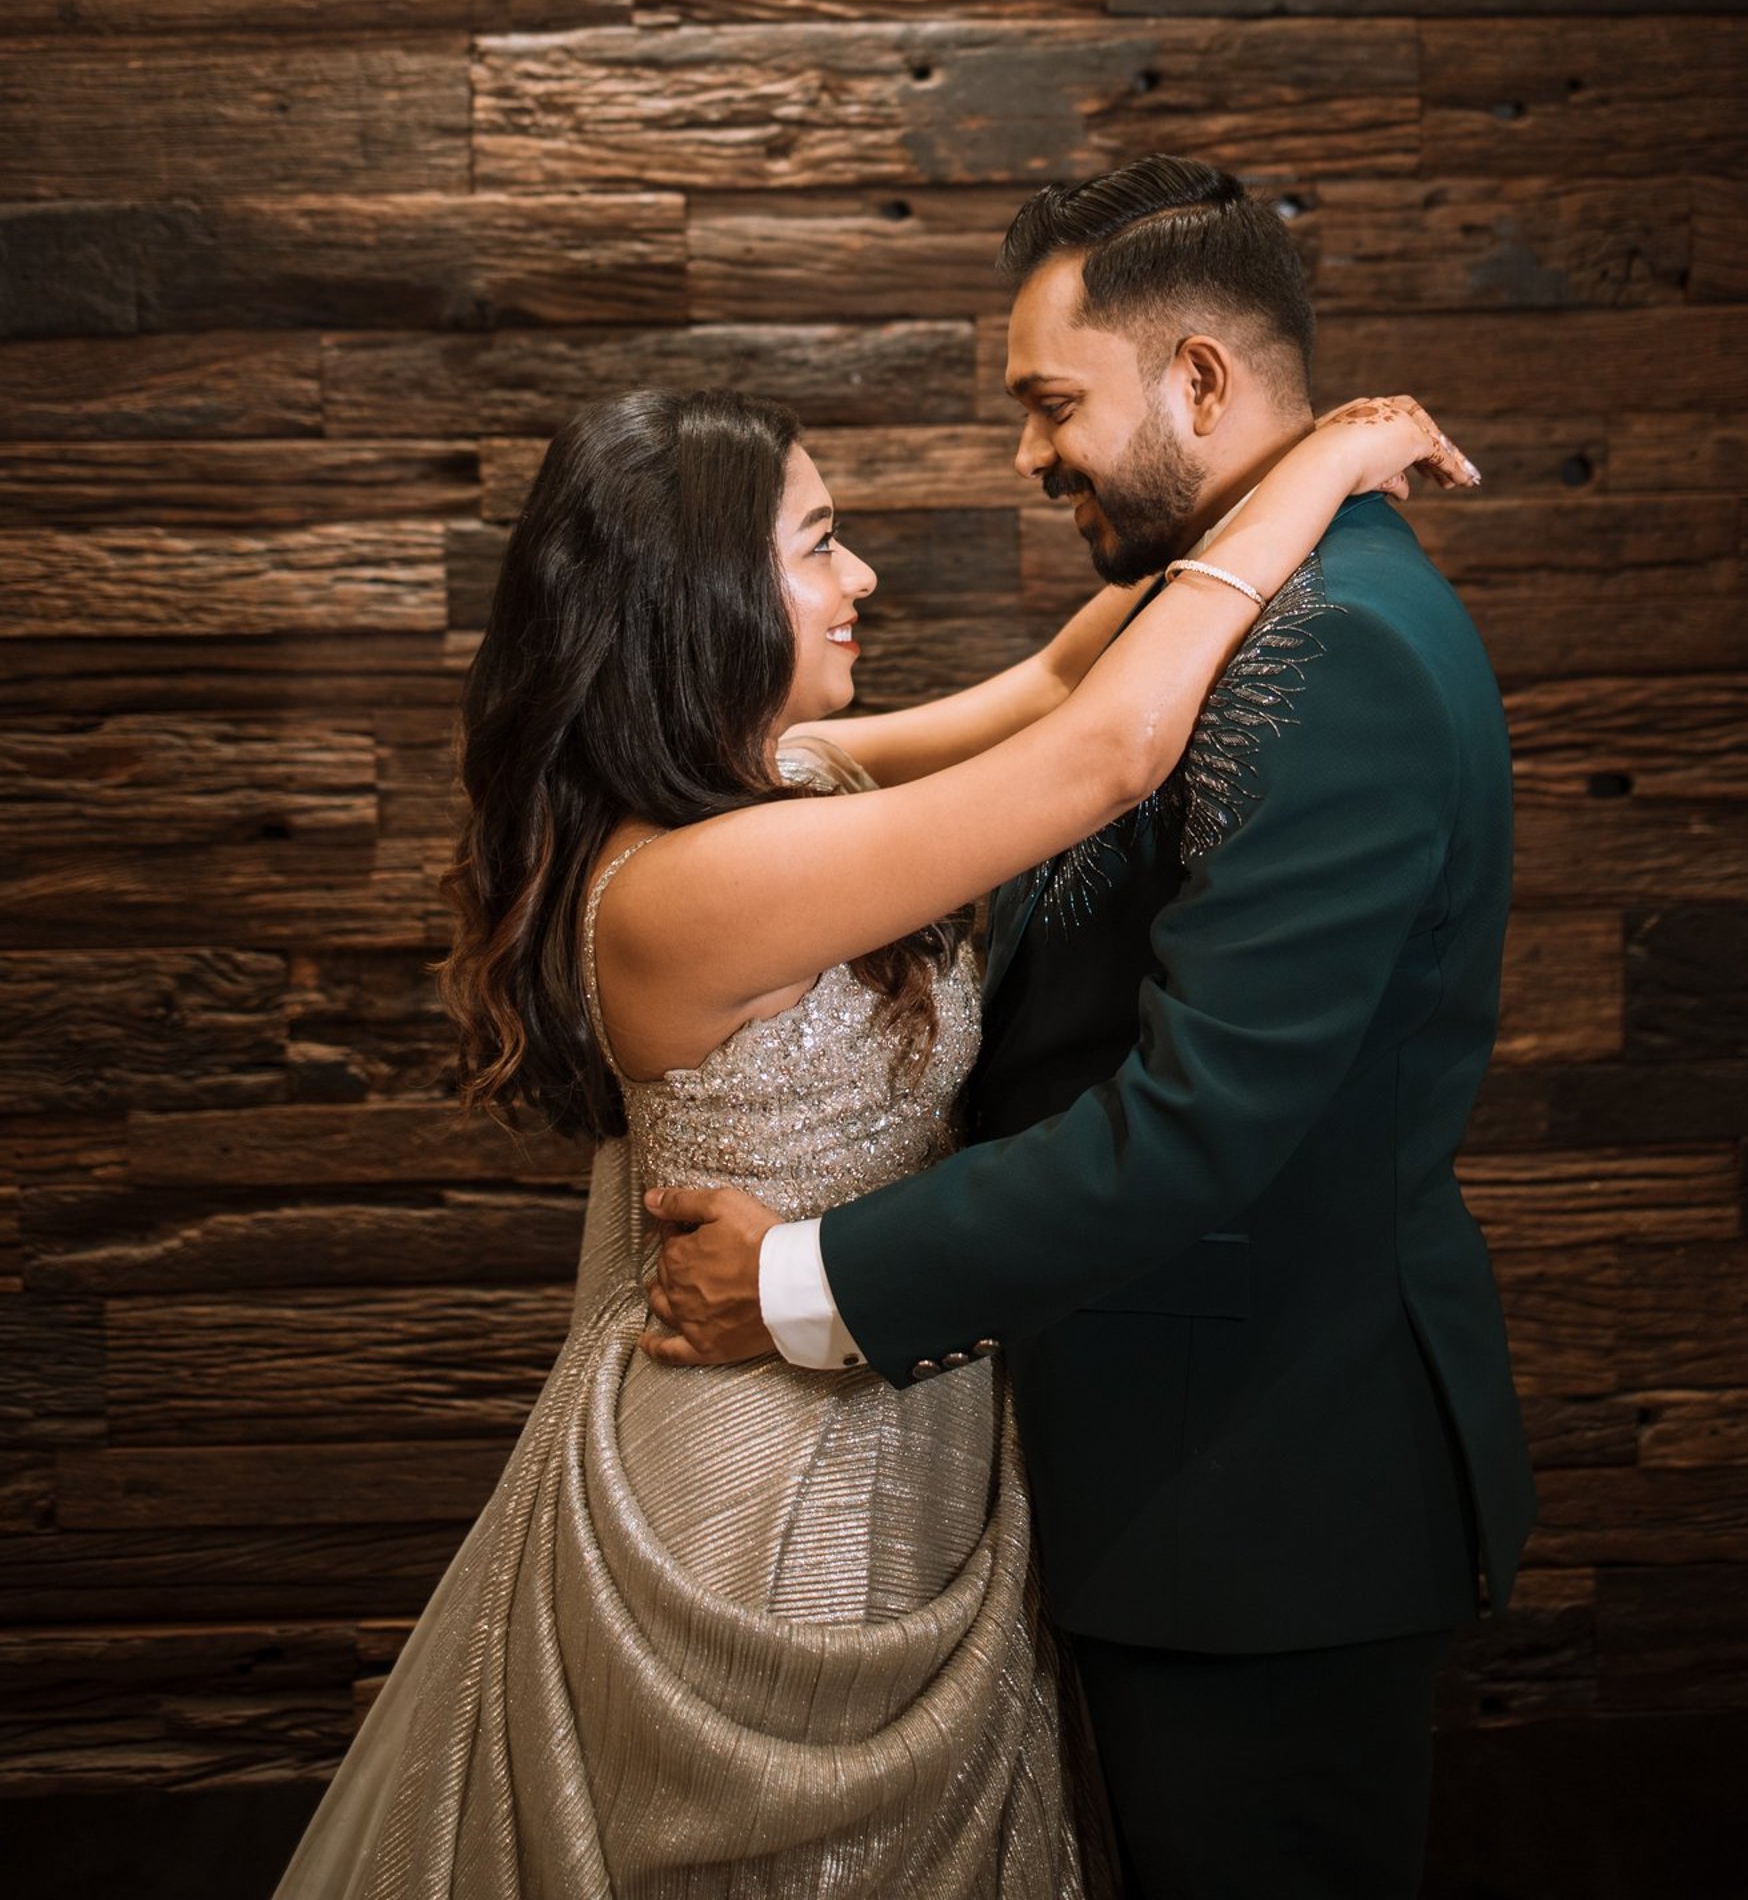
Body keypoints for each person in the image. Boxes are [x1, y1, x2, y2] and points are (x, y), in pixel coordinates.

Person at [270, 360, 1476, 1900]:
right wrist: (1342, 458)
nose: (864, 577)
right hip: (780, 1478)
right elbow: (1101, 750)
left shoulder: (774, 786)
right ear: (703, 596)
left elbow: (1054, 685)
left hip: (892, 1395)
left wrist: (1266, 461)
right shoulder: (700, 888)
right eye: (819, 542)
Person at [648, 157, 1538, 1900]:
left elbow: (1198, 1125)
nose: (1027, 454)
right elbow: (1068, 721)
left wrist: (797, 1286)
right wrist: (1337, 451)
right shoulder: (1219, 611)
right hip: (1164, 1475)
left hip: (1276, 1498)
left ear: (1197, 380)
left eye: (1052, 405)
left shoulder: (1334, 647)